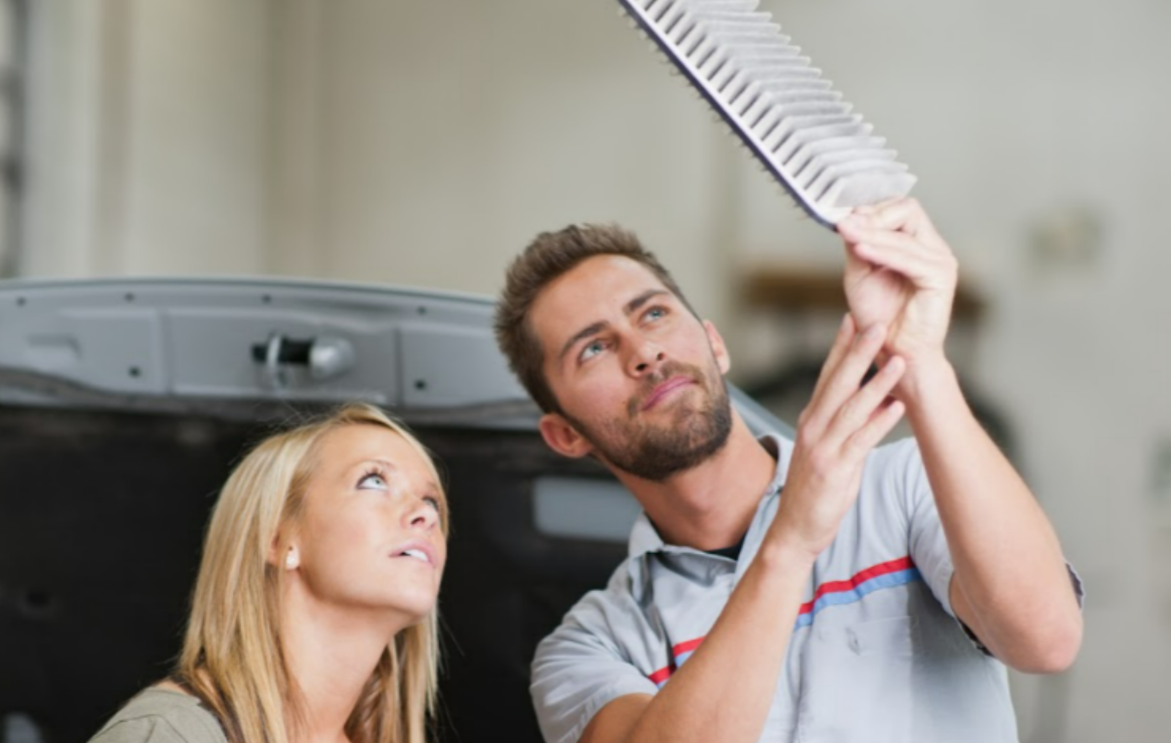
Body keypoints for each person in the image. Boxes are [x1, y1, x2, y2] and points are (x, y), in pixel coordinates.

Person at [493, 197, 1084, 743]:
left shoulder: (902, 486)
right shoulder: (591, 647)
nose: (642, 352)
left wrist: (921, 361)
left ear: (712, 344)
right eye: (593, 348)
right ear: (565, 435)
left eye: (651, 314)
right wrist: (791, 539)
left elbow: (1046, 639)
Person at [89, 403, 449, 743]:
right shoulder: (168, 735)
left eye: (432, 501)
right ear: (278, 539)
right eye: (373, 480)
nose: (426, 515)